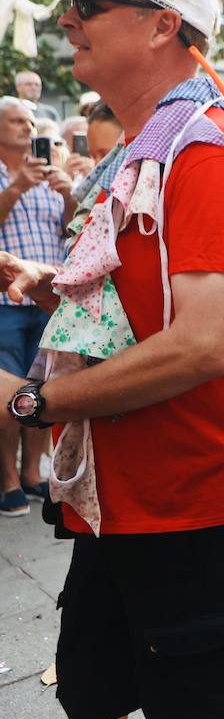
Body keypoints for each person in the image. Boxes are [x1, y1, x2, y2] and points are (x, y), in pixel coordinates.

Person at [14, 0, 224, 719]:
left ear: (163, 24)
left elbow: (203, 344)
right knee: (113, 675)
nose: (68, 19)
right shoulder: (143, 151)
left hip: (189, 491)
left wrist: (33, 403)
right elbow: (144, 301)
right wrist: (47, 282)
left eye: (90, 5)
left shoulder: (203, 153)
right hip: (124, 486)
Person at [0, 95, 73, 516]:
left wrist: (67, 195)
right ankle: (7, 479)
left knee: (41, 393)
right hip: (6, 301)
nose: (28, 128)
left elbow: (70, 231)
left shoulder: (48, 173)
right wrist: (16, 187)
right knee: (8, 392)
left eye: (30, 121)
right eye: (16, 121)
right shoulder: (15, 178)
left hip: (49, 301)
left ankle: (32, 474)